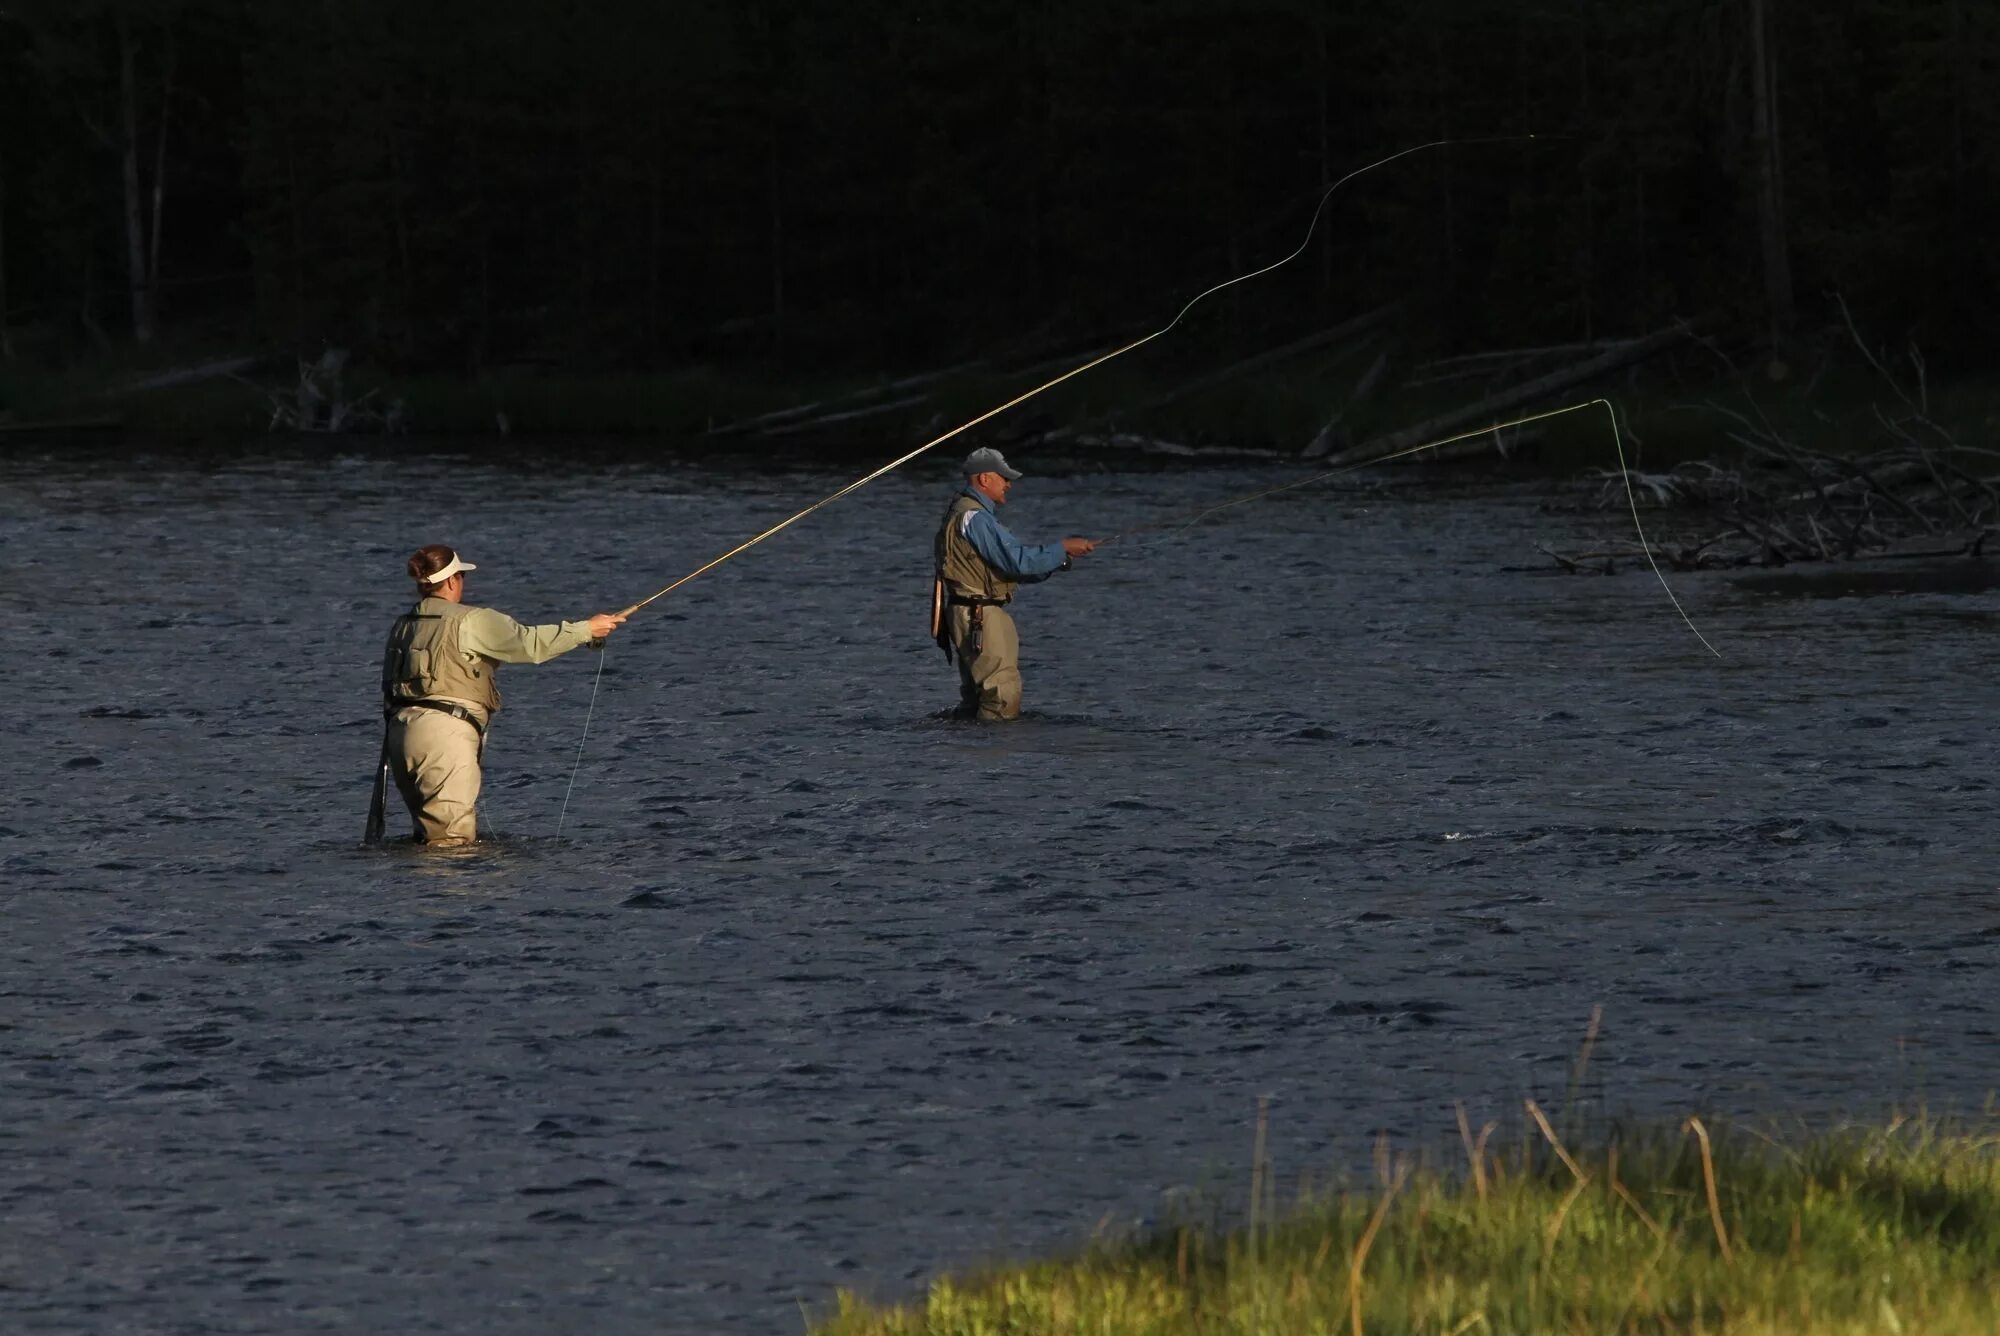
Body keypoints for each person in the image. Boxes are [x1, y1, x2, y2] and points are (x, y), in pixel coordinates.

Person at [376, 545, 626, 845]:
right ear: (454, 581)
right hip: (444, 736)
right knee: (450, 845)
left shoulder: (402, 625)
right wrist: (586, 629)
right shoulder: (472, 620)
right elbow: (529, 644)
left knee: (427, 838)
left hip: (400, 735)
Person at [931, 447, 1094, 720]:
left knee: (978, 700)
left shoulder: (963, 512)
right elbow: (1017, 562)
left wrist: (1059, 558)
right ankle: (995, 757)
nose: (1008, 484)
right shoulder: (975, 518)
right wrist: (1061, 547)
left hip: (970, 612)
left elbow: (1011, 567)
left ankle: (968, 752)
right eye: (1003, 477)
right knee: (1001, 698)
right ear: (984, 479)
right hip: (979, 616)